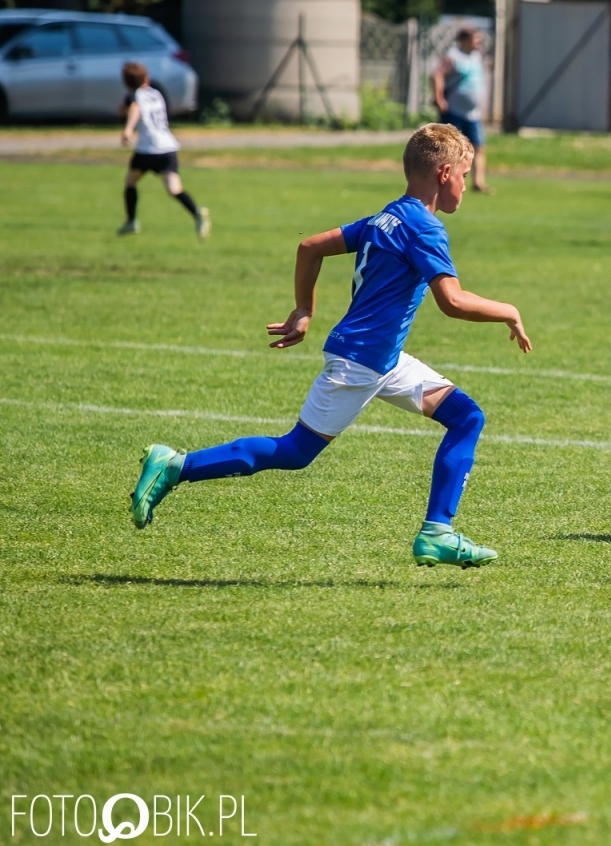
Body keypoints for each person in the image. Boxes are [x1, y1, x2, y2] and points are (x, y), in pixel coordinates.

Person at [128, 123, 532, 568]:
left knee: (466, 416)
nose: (464, 187)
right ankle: (176, 465)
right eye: (463, 177)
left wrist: (304, 309)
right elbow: (451, 301)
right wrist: (509, 310)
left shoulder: (388, 216)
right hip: (361, 361)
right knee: (294, 451)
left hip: (383, 358)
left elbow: (310, 246)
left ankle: (438, 532)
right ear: (444, 172)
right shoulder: (423, 227)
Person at [117, 62, 209, 239]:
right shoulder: (156, 93)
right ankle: (197, 212)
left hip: (147, 148)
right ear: (146, 78)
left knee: (130, 181)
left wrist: (128, 128)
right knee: (174, 189)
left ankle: (131, 221)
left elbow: (135, 108)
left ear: (126, 83)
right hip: (167, 146)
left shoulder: (134, 97)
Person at [433, 26, 490, 194]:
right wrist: (439, 98)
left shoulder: (476, 56)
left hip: (473, 113)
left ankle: (478, 182)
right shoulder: (453, 57)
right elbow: (437, 75)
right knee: (449, 149)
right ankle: (443, 180)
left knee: (478, 146)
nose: (479, 42)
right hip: (454, 110)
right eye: (476, 39)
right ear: (465, 40)